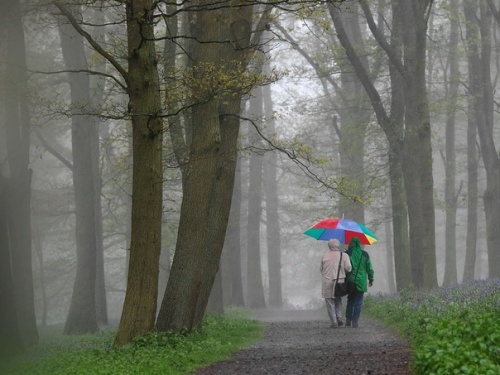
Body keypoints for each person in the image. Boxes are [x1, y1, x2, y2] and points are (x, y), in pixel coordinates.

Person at [321, 238, 352, 328]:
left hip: (327, 281)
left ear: (329, 246)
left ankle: (333, 321)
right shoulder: (344, 255)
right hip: (340, 280)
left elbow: (321, 269)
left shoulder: (324, 256)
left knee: (330, 301)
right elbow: (349, 268)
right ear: (338, 246)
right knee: (338, 299)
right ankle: (339, 318)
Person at [345, 237, 374, 328]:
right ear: (359, 244)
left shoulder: (348, 254)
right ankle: (355, 321)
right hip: (361, 281)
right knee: (358, 302)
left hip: (350, 280)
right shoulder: (365, 254)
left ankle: (348, 320)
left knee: (350, 300)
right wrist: (371, 279)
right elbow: (369, 268)